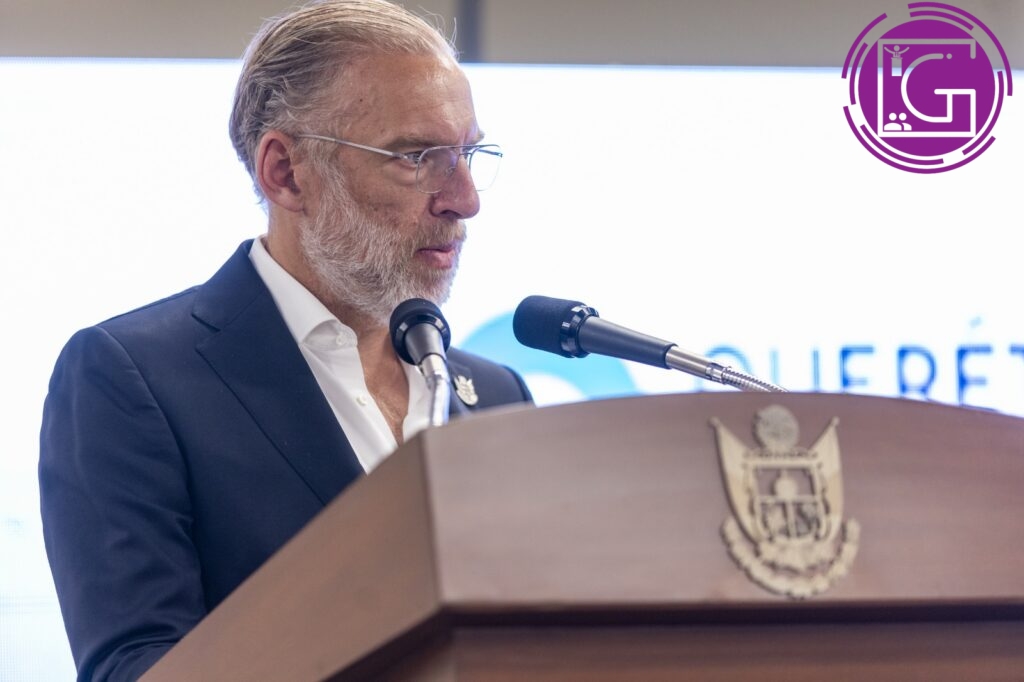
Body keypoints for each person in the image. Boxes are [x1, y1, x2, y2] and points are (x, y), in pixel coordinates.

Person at [38, 1, 532, 679]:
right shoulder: (132, 378)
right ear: (286, 172)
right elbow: (138, 665)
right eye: (417, 157)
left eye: (469, 154)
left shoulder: (495, 395)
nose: (464, 199)